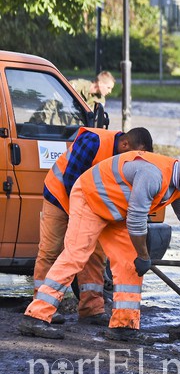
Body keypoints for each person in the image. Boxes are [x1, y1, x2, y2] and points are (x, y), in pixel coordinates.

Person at [19, 152, 180, 341]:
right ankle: (36, 316)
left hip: (116, 212)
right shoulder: (153, 175)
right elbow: (136, 220)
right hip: (89, 199)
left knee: (130, 265)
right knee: (75, 256)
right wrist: (144, 255)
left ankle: (123, 327)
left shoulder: (177, 187)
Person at [35, 127, 154, 327]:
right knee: (50, 251)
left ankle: (91, 309)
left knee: (95, 255)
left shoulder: (127, 160)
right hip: (59, 196)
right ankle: (41, 306)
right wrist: (79, 218)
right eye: (134, 153)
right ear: (125, 144)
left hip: (90, 206)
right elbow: (71, 179)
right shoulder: (94, 141)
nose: (135, 159)